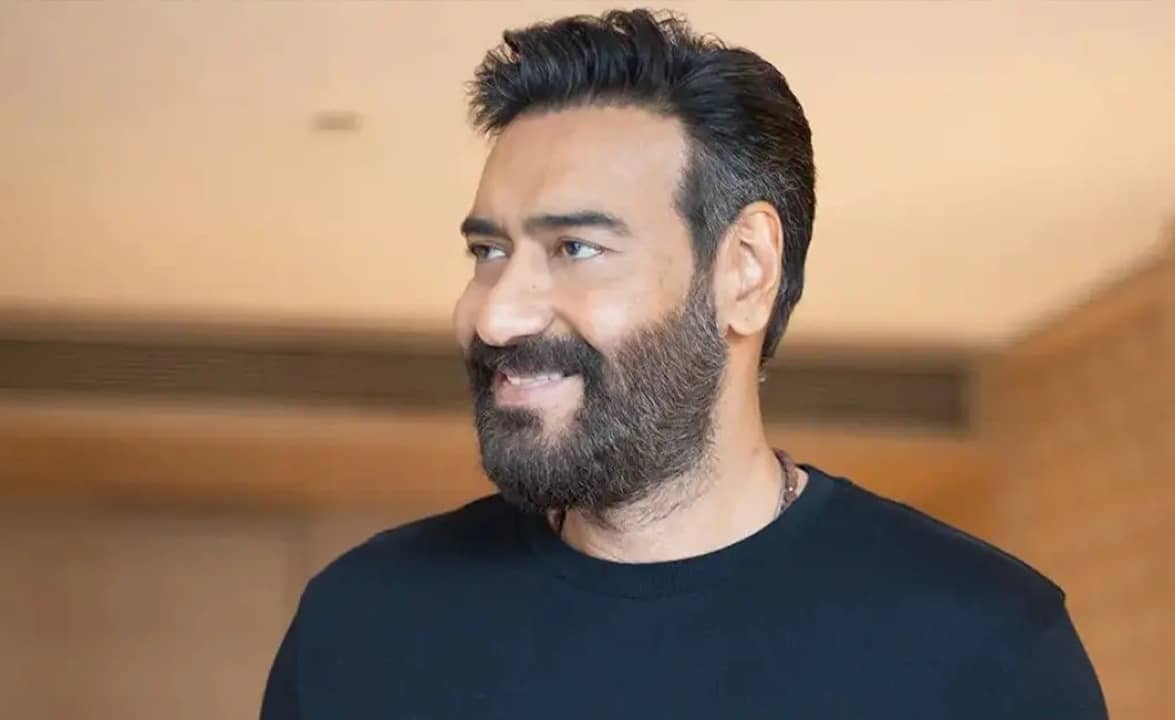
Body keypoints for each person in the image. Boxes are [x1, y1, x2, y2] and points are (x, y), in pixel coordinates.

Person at [261, 9, 1107, 719]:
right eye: (488, 251)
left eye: (575, 247)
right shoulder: (360, 629)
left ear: (745, 271)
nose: (494, 313)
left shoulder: (983, 647)